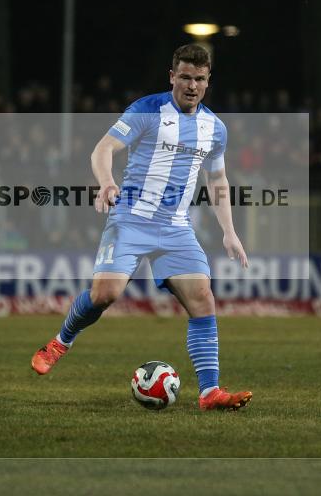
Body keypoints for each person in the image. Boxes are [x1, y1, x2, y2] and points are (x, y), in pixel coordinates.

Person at [30, 44, 253, 410]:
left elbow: (218, 180)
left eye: (199, 79)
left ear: (208, 81)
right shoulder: (147, 109)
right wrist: (106, 182)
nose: (191, 85)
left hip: (176, 228)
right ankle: (60, 341)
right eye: (184, 77)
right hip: (131, 219)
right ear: (172, 76)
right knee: (104, 295)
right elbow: (102, 149)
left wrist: (229, 231)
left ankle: (209, 392)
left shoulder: (215, 128)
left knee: (202, 299)